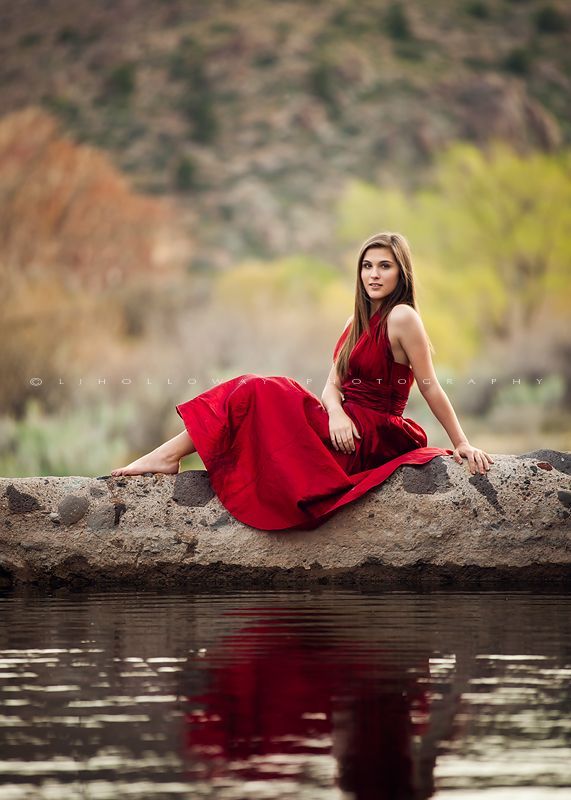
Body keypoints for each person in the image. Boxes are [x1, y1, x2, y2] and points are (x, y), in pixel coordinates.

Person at [111, 231, 494, 531]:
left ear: (401, 273)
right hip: (342, 425)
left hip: (371, 436)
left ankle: (167, 456)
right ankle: (167, 456)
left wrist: (461, 442)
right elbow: (332, 386)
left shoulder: (403, 318)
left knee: (259, 388)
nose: (374, 275)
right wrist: (337, 414)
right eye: (367, 266)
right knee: (252, 389)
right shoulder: (354, 322)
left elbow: (429, 385)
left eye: (385, 266)